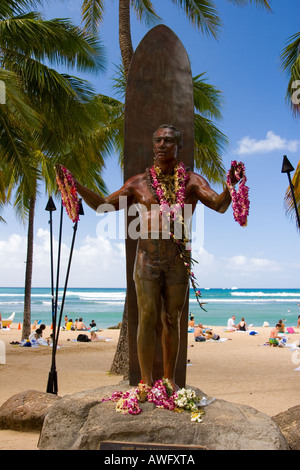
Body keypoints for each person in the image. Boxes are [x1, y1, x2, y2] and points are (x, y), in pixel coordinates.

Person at [58, 124, 237, 390]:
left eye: (167, 141)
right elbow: (102, 206)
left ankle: (169, 380)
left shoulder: (192, 181)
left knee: (171, 320)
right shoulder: (138, 183)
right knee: (147, 316)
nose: (161, 145)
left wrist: (232, 185)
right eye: (157, 141)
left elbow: (220, 206)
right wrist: (77, 186)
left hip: (177, 260)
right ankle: (144, 382)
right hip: (146, 260)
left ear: (178, 146)